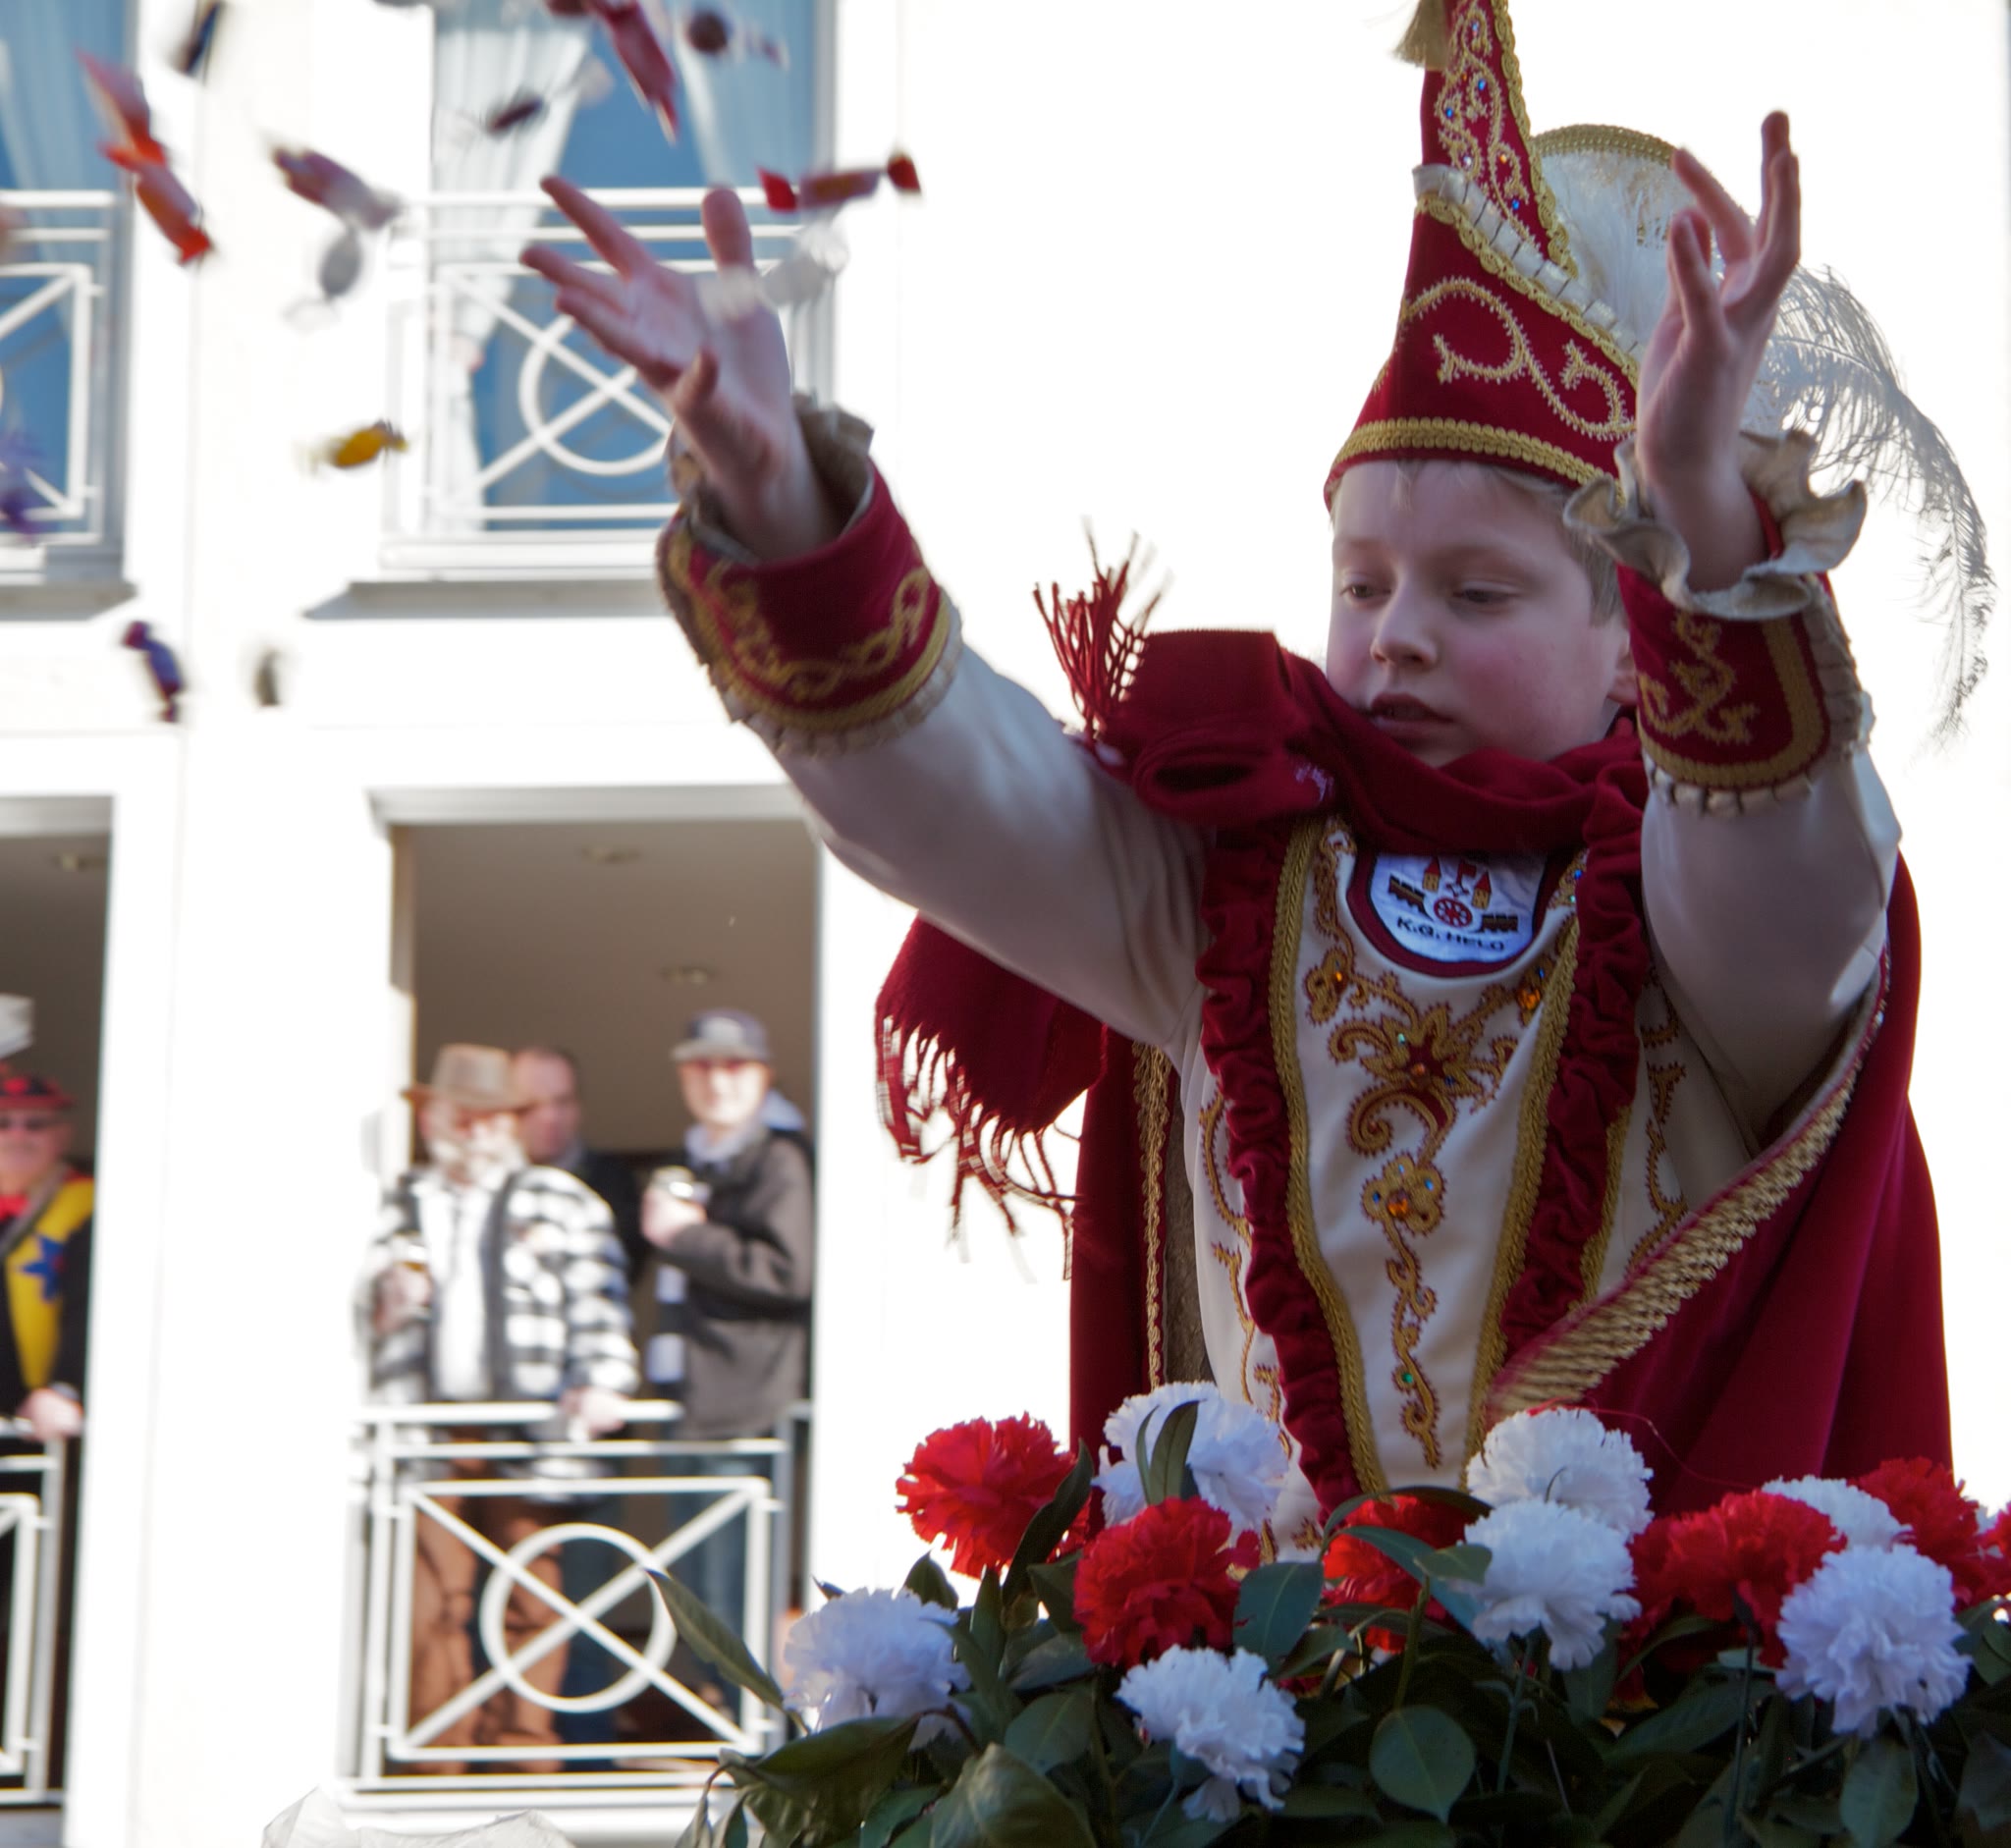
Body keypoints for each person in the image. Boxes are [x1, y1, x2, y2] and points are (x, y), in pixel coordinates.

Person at [522, 0, 1983, 1535]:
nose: (1397, 634)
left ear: (1629, 637)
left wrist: (1705, 532)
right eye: (1363, 583)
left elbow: (1787, 867)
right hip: (1278, 1674)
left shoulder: (1687, 901)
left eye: (1477, 592)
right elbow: (957, 797)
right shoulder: (1237, 877)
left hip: (1650, 1682)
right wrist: (784, 502)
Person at [363, 1043, 638, 1775]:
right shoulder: (402, 1201)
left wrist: (603, 1381)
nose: (475, 1130)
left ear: (511, 1122)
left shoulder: (561, 1198)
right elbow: (365, 1305)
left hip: (531, 1425)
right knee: (435, 1597)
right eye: (461, 1114)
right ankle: (438, 1760)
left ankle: (522, 1754)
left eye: (490, 1116)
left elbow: (599, 1301)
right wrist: (387, 1301)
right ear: (433, 1118)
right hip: (430, 1430)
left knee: (532, 1592)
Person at [641, 1009, 812, 1640]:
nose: (717, 1081)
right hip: (694, 1406)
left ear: (764, 1074)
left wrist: (686, 1236)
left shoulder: (779, 1159)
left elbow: (789, 1273)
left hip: (743, 1411)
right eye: (701, 1066)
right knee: (698, 1597)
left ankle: (750, 1706)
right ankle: (721, 1700)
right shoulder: (697, 1157)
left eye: (734, 1066)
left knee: (730, 1603)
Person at [0, 1066, 89, 1444]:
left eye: (35, 1125)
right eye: (4, 1123)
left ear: (62, 1136)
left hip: (40, 1422)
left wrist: (67, 1387)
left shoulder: (90, 1207)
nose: (17, 1135)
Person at [511, 1045, 647, 1281]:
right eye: (530, 1104)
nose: (549, 1117)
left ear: (579, 1106)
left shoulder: (613, 1181)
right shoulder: (485, 1186)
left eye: (562, 1101)